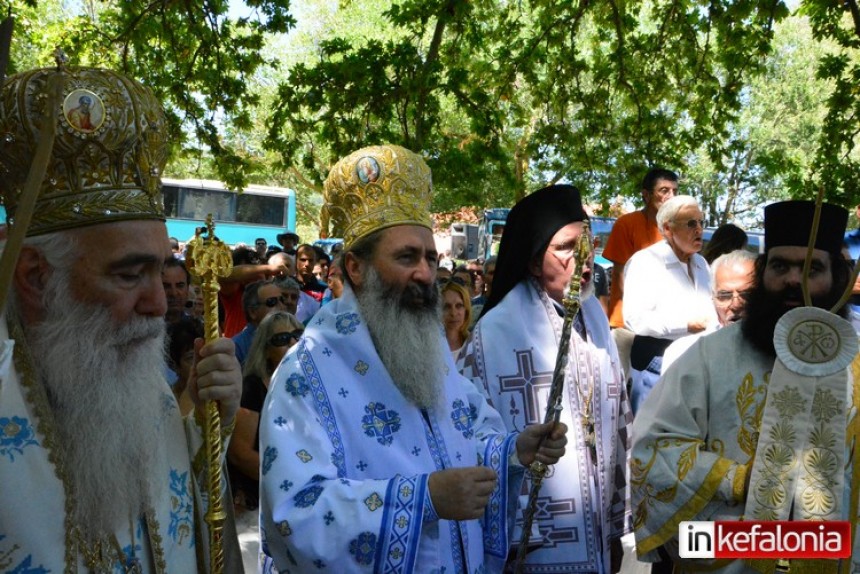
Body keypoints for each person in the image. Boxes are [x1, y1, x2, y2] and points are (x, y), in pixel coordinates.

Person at [258, 144, 568, 573]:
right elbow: (295, 513)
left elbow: (467, 439)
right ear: (355, 267)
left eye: (430, 257)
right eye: (406, 257)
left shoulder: (431, 353)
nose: (425, 272)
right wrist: (422, 500)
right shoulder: (306, 373)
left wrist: (514, 449)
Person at [0, 64, 243, 572]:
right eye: (130, 275)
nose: (160, 305)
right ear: (36, 277)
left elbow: (177, 512)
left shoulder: (131, 375)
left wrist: (204, 428)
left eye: (161, 272)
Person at [631, 200, 860, 573]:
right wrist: (740, 479)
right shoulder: (708, 357)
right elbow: (652, 452)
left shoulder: (858, 365)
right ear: (762, 271)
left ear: (836, 276)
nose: (793, 280)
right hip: (730, 553)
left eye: (811, 268)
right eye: (780, 265)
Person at [460, 184, 631, 573]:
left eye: (589, 243)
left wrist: (617, 525)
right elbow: (466, 433)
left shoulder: (596, 319)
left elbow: (620, 419)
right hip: (533, 544)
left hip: (596, 521)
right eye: (569, 247)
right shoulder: (496, 333)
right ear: (535, 262)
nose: (585, 258)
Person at [623, 194, 717, 413]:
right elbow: (635, 318)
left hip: (697, 360)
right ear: (667, 229)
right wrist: (686, 325)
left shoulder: (702, 263)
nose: (699, 230)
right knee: (649, 435)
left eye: (701, 222)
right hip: (656, 361)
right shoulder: (646, 262)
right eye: (691, 223)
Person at [603, 168, 678, 330]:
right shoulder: (626, 224)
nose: (671, 196)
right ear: (646, 194)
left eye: (675, 191)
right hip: (626, 322)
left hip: (665, 324)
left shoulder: (677, 229)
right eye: (664, 190)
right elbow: (620, 274)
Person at [660, 249, 756, 372]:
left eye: (747, 295)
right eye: (725, 295)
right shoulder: (683, 352)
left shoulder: (781, 350)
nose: (735, 304)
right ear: (713, 297)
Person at [230, 278, 289, 366]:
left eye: (282, 300)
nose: (281, 306)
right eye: (272, 302)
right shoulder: (237, 347)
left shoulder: (293, 338)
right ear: (253, 312)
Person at [441, 278, 472, 357]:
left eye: (459, 306)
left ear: (466, 310)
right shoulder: (430, 345)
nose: (453, 313)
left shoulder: (474, 344)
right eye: (447, 307)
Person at [162, 256, 192, 325]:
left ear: (187, 288)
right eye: (166, 286)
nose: (174, 293)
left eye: (180, 286)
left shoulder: (199, 329)